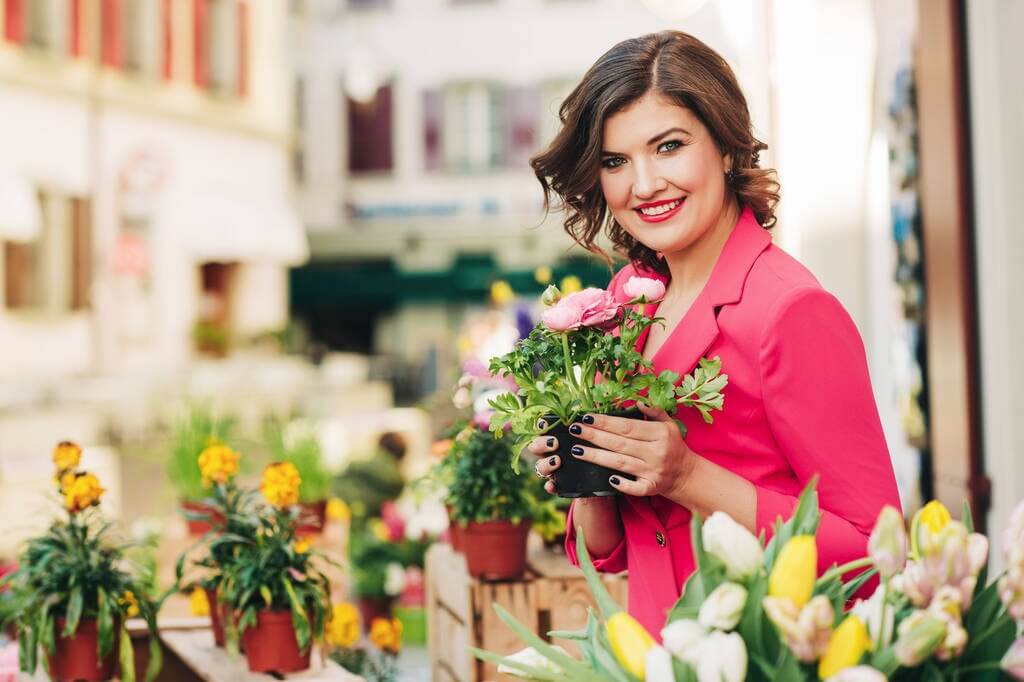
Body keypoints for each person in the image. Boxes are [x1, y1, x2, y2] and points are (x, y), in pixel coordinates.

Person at [529, 30, 901, 636]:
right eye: (615, 161)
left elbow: (873, 553)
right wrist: (589, 470)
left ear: (727, 148)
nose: (643, 185)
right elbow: (611, 552)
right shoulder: (626, 303)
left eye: (668, 146)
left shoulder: (791, 309)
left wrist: (687, 476)